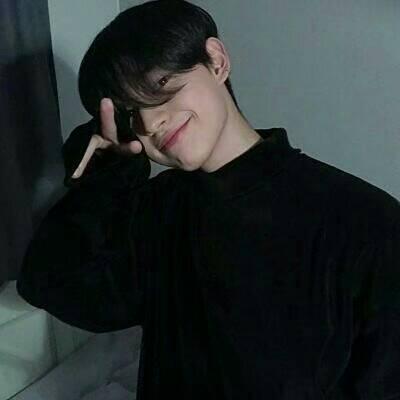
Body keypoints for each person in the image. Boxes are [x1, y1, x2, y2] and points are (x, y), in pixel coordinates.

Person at [16, 1, 400, 399]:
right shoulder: (157, 211)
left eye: (159, 86)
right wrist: (107, 179)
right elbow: (48, 283)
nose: (150, 122)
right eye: (130, 113)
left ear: (216, 61)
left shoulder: (366, 222)